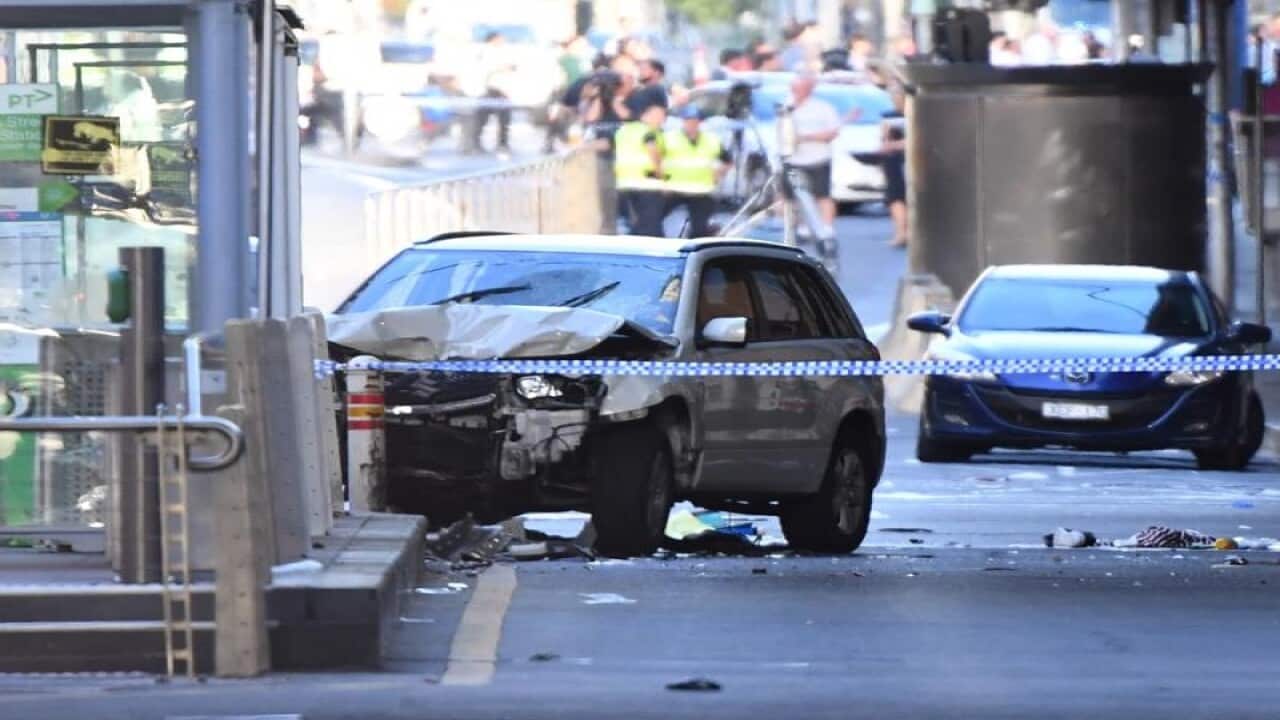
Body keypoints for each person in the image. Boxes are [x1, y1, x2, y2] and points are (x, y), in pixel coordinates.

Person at [664, 106, 732, 238]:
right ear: (683, 122)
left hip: (701, 191)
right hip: (674, 189)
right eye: (689, 121)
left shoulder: (711, 140)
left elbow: (728, 160)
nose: (692, 125)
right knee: (651, 218)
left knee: (699, 230)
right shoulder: (670, 138)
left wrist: (718, 174)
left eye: (695, 121)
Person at [787, 72, 841, 233]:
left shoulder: (823, 108)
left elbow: (832, 133)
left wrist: (805, 137)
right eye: (793, 88)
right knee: (795, 196)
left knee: (822, 195)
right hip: (793, 159)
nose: (795, 92)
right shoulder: (786, 106)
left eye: (799, 88)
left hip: (818, 158)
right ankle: (802, 226)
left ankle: (826, 227)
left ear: (809, 89)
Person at [614, 102, 668, 237]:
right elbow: (653, 151)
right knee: (651, 225)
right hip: (646, 183)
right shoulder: (648, 132)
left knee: (641, 221)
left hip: (625, 183)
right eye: (658, 117)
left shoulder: (623, 130)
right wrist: (662, 176)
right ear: (645, 116)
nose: (661, 121)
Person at [467, 31, 516, 154]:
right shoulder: (486, 52)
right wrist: (502, 67)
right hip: (491, 89)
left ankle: (502, 143)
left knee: (504, 119)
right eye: (499, 39)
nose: (502, 41)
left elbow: (512, 67)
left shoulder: (503, 52)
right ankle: (475, 143)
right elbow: (486, 68)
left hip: (503, 90)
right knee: (482, 118)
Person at [881, 91, 908, 248]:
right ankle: (902, 232)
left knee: (898, 198)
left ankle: (901, 233)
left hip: (899, 158)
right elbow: (884, 138)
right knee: (897, 197)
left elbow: (885, 141)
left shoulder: (890, 116)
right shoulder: (889, 115)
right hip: (895, 160)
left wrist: (891, 145)